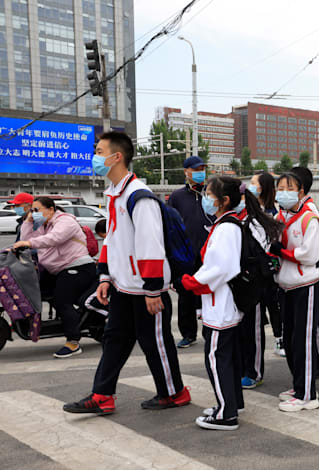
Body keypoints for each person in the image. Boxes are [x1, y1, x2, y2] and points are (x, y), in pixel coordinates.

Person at [63, 131, 190, 415]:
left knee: (155, 343)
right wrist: (105, 276)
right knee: (114, 340)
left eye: (99, 151)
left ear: (116, 156)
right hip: (122, 286)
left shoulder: (138, 197)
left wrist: (153, 288)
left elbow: (150, 246)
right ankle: (102, 395)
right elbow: (112, 240)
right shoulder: (115, 196)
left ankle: (174, 392)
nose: (94, 157)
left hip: (145, 289)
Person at [179, 176, 278, 430]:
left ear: (223, 201)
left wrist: (192, 282)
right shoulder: (227, 224)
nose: (204, 200)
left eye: (208, 195)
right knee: (228, 358)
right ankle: (232, 403)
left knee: (216, 358)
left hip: (220, 304)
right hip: (224, 303)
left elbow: (221, 268)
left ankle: (226, 413)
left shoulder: (226, 228)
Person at [14, 197, 97, 358]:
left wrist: (30, 244)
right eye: (32, 210)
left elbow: (54, 238)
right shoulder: (44, 224)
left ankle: (73, 342)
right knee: (35, 290)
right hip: (57, 270)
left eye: (37, 210)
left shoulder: (65, 221)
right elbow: (26, 237)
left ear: (51, 209)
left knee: (62, 300)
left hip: (77, 268)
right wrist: (29, 221)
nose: (34, 213)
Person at [272, 173, 319, 411]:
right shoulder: (280, 216)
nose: (283, 192)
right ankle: (299, 385)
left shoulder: (309, 219)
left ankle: (307, 395)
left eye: (288, 188)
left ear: (301, 192)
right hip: (286, 285)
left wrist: (281, 253)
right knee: (291, 340)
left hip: (306, 286)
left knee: (303, 341)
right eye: (280, 188)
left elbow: (309, 256)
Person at [236, 179, 281, 390]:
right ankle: (244, 368)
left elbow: (261, 253)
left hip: (253, 285)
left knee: (252, 329)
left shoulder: (254, 223)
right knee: (241, 329)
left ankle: (254, 372)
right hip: (238, 284)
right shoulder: (235, 220)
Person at [168, 155, 215, 349]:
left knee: (210, 293)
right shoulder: (177, 197)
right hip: (186, 255)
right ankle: (188, 334)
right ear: (186, 172)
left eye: (202, 169)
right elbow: (170, 225)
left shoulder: (211, 193)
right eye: (196, 169)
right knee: (185, 295)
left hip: (209, 254)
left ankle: (211, 331)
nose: (200, 173)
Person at [291, 166, 319, 378]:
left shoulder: (309, 210)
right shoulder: (299, 207)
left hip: (309, 273)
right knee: (313, 320)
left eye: (288, 185)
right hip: (301, 274)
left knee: (314, 322)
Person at [250, 171, 285, 357]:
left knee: (274, 304)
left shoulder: (274, 212)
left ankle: (279, 338)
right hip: (256, 268)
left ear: (262, 186)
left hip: (271, 266)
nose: (250, 185)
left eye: (253, 182)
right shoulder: (250, 209)